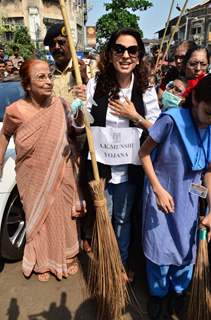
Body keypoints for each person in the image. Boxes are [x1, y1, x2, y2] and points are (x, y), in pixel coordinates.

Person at [0, 59, 86, 281]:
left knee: (63, 217)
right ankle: (42, 261)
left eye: (49, 76)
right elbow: (4, 134)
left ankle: (67, 257)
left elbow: (76, 130)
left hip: (61, 172)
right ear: (27, 84)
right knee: (38, 219)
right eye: (41, 77)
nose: (48, 81)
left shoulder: (61, 104)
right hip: (32, 175)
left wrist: (80, 110)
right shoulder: (15, 111)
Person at [83, 28, 160, 275]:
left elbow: (159, 129)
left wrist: (134, 116)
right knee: (103, 217)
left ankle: (122, 264)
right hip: (101, 168)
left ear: (138, 56)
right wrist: (78, 114)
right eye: (119, 49)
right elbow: (82, 122)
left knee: (123, 220)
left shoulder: (146, 87)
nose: (125, 55)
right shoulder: (96, 84)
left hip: (130, 170)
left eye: (132, 50)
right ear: (110, 53)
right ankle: (107, 264)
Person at [139, 74, 211, 319]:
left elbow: (208, 169)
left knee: (185, 251)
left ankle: (178, 293)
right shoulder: (171, 120)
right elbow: (144, 153)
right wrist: (158, 189)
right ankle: (158, 295)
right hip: (162, 197)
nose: (210, 120)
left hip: (190, 201)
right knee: (159, 251)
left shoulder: (210, 128)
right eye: (208, 113)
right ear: (195, 101)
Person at [44, 23, 88, 104]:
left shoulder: (89, 69)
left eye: (61, 42)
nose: (56, 47)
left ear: (71, 44)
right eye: (52, 44)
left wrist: (85, 80)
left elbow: (99, 103)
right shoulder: (46, 75)